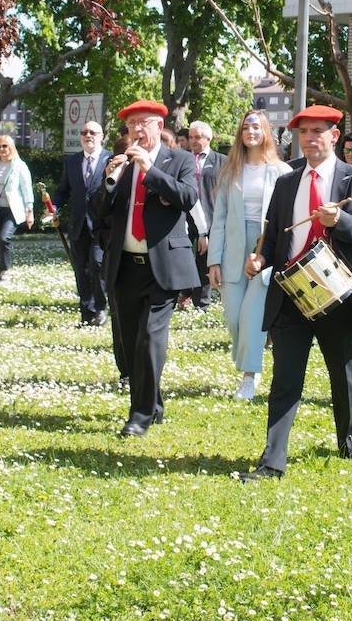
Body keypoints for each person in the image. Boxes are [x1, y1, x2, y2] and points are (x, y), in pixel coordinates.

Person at [236, 105, 352, 481]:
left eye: (317, 132)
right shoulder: (287, 181)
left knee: (345, 374)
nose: (310, 139)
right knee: (285, 379)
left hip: (338, 295)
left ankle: (350, 444)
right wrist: (259, 259)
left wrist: (342, 222)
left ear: (335, 136)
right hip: (292, 293)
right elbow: (274, 237)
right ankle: (272, 461)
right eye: (304, 132)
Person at [93, 100, 201, 437]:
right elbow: (98, 212)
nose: (138, 130)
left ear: (158, 126)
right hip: (126, 266)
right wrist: (109, 181)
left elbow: (188, 197)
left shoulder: (179, 160)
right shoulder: (122, 163)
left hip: (163, 267)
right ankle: (153, 403)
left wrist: (150, 171)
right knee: (129, 342)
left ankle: (139, 415)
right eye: (132, 125)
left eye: (145, 123)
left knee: (150, 340)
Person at [207, 110, 290, 400]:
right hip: (232, 248)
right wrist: (213, 260)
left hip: (264, 250)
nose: (250, 132)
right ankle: (252, 352)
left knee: (252, 316)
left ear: (265, 131)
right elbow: (219, 219)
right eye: (245, 128)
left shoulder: (281, 171)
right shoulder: (231, 171)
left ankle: (249, 377)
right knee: (234, 318)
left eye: (255, 127)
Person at [51, 121, 111, 329]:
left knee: (97, 265)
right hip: (78, 225)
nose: (88, 136)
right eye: (84, 132)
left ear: (101, 135)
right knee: (81, 270)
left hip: (101, 225)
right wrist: (54, 206)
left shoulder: (110, 159)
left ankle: (101, 309)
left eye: (92, 132)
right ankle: (86, 312)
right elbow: (63, 191)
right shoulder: (72, 162)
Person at [188, 120, 225, 310]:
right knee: (187, 261)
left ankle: (202, 304)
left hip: (211, 218)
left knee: (205, 261)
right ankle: (186, 295)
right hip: (186, 219)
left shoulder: (222, 161)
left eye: (198, 137)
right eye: (191, 137)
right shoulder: (184, 159)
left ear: (208, 138)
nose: (193, 141)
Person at [0, 135, 34, 282]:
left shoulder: (19, 166)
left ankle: (6, 268)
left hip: (12, 209)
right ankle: (0, 272)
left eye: (5, 146)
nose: (2, 150)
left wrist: (29, 211)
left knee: (3, 237)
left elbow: (26, 189)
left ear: (11, 147)